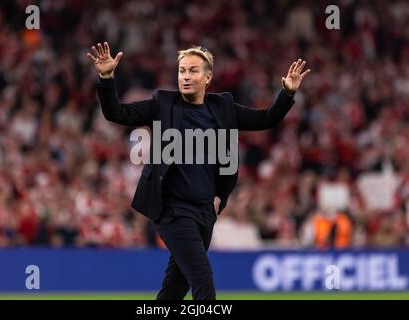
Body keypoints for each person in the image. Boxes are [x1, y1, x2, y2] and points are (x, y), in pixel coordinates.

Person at [87, 42, 310, 300]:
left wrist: (287, 93)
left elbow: (266, 119)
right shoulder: (163, 104)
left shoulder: (222, 108)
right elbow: (117, 113)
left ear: (207, 77)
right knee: (203, 281)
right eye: (182, 71)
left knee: (174, 291)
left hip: (204, 212)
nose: (185, 77)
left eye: (193, 71)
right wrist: (106, 78)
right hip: (172, 212)